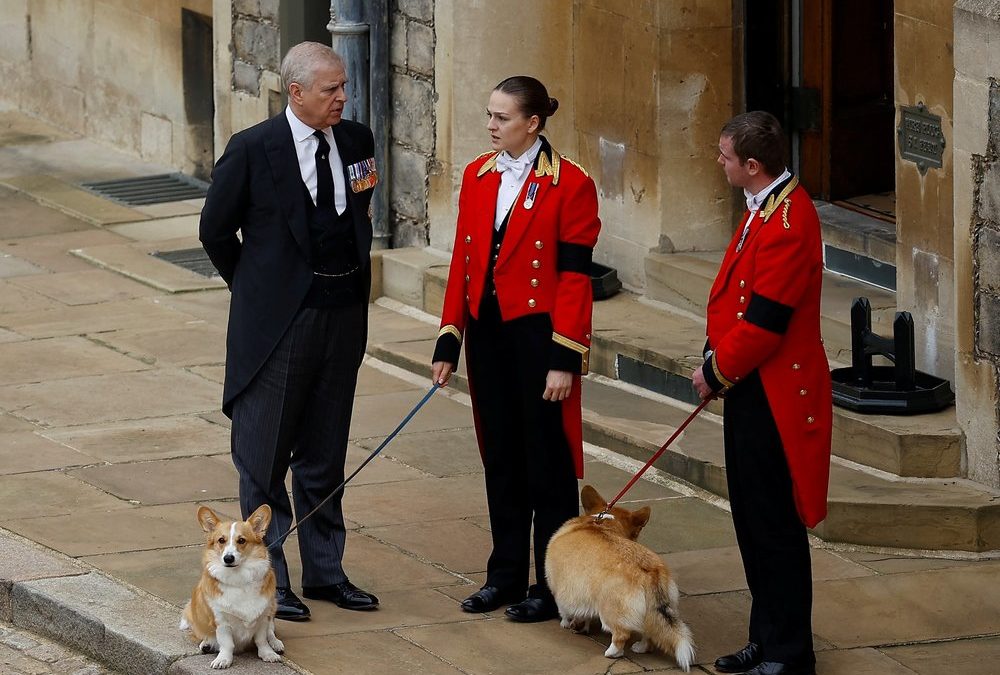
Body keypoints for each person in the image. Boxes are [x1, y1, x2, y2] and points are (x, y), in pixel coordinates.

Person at [199, 41, 380, 622]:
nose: (343, 97)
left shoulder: (357, 141)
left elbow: (359, 215)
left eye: (344, 86)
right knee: (265, 458)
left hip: (342, 319)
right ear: (296, 92)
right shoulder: (252, 149)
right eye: (331, 89)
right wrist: (258, 292)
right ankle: (269, 579)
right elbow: (214, 231)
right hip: (278, 329)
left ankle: (326, 572)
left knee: (325, 455)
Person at [431, 76, 601, 623]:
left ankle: (552, 587)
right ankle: (503, 575)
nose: (491, 125)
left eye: (501, 118)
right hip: (489, 336)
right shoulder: (478, 174)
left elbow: (575, 278)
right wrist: (449, 337)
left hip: (539, 338)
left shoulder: (571, 183)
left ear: (532, 123)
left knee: (546, 465)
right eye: (489, 114)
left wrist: (565, 358)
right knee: (500, 458)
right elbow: (463, 260)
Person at [691, 111, 832, 675]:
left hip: (776, 392)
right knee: (751, 519)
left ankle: (790, 653)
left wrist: (714, 371)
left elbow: (767, 323)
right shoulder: (765, 206)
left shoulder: (789, 220)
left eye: (725, 156)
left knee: (773, 525)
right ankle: (765, 636)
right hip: (752, 384)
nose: (718, 163)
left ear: (752, 165)